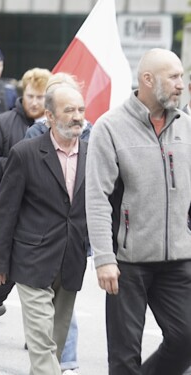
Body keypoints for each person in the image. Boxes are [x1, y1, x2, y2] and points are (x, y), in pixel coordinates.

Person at [86, 48, 191, 375]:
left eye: (181, 76)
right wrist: (104, 257)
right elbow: (97, 196)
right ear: (148, 79)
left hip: (178, 260)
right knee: (123, 358)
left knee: (187, 338)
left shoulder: (187, 127)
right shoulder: (110, 127)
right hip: (127, 264)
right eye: (173, 76)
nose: (181, 84)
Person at [0, 81, 88, 375]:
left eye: (81, 109)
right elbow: (5, 213)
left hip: (72, 258)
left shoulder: (94, 153)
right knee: (42, 342)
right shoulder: (25, 153)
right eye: (69, 110)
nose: (77, 116)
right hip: (32, 259)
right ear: (50, 117)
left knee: (54, 343)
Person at [0, 67, 51, 341]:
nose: (35, 102)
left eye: (41, 97)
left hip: (42, 214)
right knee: (3, 270)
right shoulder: (2, 123)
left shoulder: (55, 128)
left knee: (40, 276)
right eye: (31, 95)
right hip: (6, 209)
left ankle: (40, 337)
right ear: (23, 93)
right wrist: (20, 166)